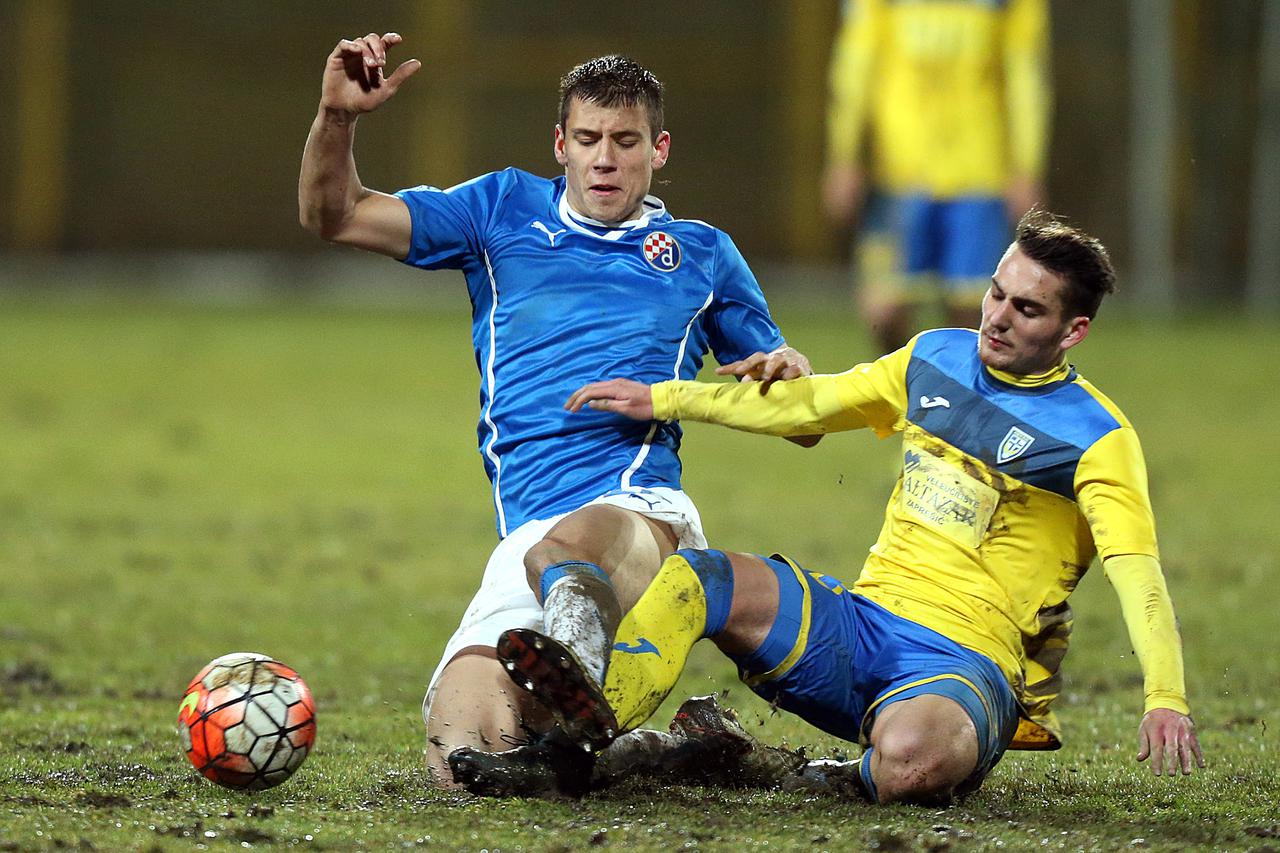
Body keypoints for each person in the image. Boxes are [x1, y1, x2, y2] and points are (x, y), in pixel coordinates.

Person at [455, 211, 1205, 804]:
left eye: (1027, 309)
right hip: (859, 627)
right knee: (695, 577)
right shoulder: (931, 358)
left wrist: (1164, 697)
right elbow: (812, 404)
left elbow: (1139, 576)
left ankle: (852, 771)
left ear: (1074, 330)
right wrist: (666, 397)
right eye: (996, 293)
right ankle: (582, 748)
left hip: (964, 665)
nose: (998, 318)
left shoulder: (1099, 440)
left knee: (913, 761)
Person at [298, 34, 815, 785]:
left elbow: (798, 422)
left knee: (569, 552)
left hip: (641, 518)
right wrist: (335, 118)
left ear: (659, 148)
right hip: (527, 539)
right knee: (467, 755)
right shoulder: (500, 210)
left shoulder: (703, 254)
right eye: (588, 139)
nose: (605, 157)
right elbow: (334, 215)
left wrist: (791, 377)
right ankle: (668, 750)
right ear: (560, 145)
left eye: (625, 140)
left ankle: (579, 656)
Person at [822, 0, 1051, 352]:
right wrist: (844, 155)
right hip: (898, 172)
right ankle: (903, 391)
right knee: (884, 309)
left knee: (974, 313)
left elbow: (1025, 72)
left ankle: (953, 402)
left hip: (979, 171)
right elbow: (855, 63)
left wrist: (1026, 166)